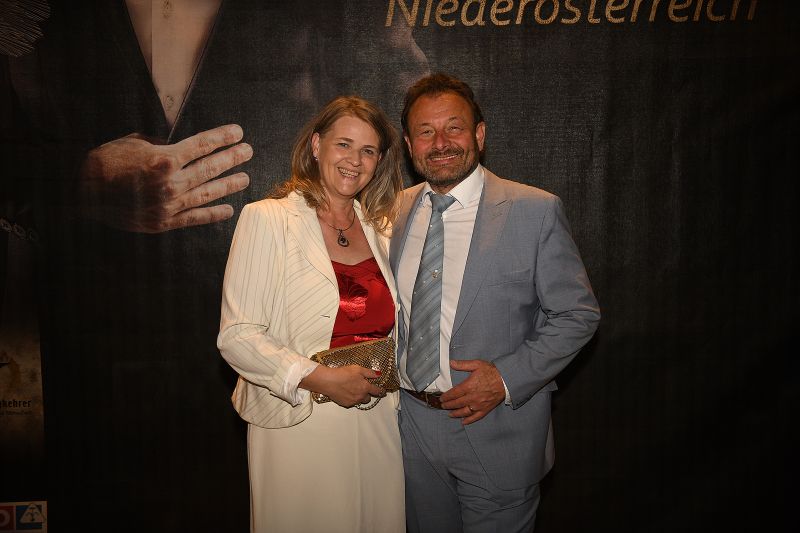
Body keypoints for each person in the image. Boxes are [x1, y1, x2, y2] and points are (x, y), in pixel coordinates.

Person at [390, 73, 601, 532]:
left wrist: (506, 378)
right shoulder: (392, 211)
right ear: (409, 145)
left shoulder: (534, 210)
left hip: (497, 427)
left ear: (480, 135)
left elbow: (577, 314)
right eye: (425, 131)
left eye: (454, 127)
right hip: (412, 432)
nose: (441, 143)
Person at [217, 95, 405, 533]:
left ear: (379, 161)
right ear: (317, 146)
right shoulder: (268, 219)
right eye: (344, 144)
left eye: (368, 150)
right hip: (300, 414)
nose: (354, 160)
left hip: (377, 418)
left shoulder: (382, 229)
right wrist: (319, 378)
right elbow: (238, 336)